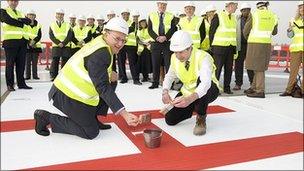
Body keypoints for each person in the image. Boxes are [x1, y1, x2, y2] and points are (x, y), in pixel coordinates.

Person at [34, 17, 141, 140]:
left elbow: (98, 71)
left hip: (76, 91)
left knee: (112, 80)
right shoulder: (101, 53)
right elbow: (102, 87)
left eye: (124, 40)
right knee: (90, 132)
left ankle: (93, 118)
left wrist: (110, 73)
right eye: (117, 38)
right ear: (106, 33)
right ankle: (46, 117)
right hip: (66, 93)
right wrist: (124, 114)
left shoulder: (102, 42)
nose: (120, 44)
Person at [162, 30, 219, 136]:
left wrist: (189, 99)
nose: (178, 56)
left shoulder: (203, 57)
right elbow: (170, 75)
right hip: (188, 92)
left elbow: (205, 83)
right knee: (170, 119)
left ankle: (201, 117)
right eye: (175, 52)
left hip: (209, 89)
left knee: (201, 84)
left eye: (181, 52)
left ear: (190, 48)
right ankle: (195, 105)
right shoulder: (174, 57)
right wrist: (165, 91)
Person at [244, 1, 278, 98]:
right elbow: (275, 32)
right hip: (266, 43)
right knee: (259, 66)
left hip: (255, 43)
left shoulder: (254, 14)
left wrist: (248, 38)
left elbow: (246, 30)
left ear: (258, 6)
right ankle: (254, 87)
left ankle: (260, 90)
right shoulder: (273, 15)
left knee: (258, 68)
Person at [1, 0, 32, 91]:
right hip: (10, 41)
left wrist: (20, 20)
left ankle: (21, 84)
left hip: (22, 41)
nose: (14, 2)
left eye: (16, 1)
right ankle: (10, 84)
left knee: (21, 64)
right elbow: (8, 20)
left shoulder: (20, 13)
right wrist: (22, 22)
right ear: (8, 1)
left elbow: (29, 21)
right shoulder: (3, 11)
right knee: (10, 64)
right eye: (12, 1)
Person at [209, 1, 238, 94]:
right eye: (235, 6)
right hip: (219, 48)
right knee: (217, 70)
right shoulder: (218, 15)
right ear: (230, 6)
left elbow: (234, 34)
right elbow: (211, 31)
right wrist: (212, 46)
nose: (236, 8)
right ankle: (215, 89)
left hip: (230, 48)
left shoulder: (234, 17)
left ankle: (227, 88)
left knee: (229, 70)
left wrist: (235, 48)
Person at [148, 0, 176, 89]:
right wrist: (157, 37)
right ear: (157, 5)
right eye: (161, 4)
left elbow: (173, 29)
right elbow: (150, 29)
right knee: (155, 63)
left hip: (167, 43)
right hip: (155, 43)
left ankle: (169, 84)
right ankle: (155, 83)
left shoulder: (171, 16)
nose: (162, 6)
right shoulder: (151, 15)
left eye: (164, 5)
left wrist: (165, 37)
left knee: (168, 64)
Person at [280, 1, 304, 97]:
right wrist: (289, 29)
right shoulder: (294, 21)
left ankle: (302, 91)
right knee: (293, 70)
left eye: (303, 7)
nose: (302, 9)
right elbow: (290, 36)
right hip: (296, 48)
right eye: (300, 7)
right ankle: (289, 90)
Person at [233, 3, 254, 91]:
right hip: (240, 45)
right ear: (241, 11)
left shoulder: (254, 19)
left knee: (250, 65)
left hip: (250, 45)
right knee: (238, 65)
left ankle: (252, 83)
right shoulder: (237, 19)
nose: (246, 12)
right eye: (244, 10)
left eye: (248, 10)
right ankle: (238, 83)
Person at [49, 8, 73, 81]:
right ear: (56, 15)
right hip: (56, 46)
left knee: (65, 61)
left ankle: (63, 76)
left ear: (63, 15)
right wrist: (58, 43)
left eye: (61, 14)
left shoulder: (68, 25)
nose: (60, 16)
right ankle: (54, 76)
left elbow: (70, 35)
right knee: (55, 61)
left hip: (65, 46)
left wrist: (63, 43)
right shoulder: (52, 24)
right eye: (58, 14)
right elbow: (51, 35)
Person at [25, 9, 42, 80]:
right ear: (27, 16)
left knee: (35, 62)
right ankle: (27, 76)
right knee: (27, 62)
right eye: (29, 15)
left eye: (32, 15)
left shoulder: (38, 25)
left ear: (35, 16)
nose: (31, 16)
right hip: (27, 46)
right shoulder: (24, 24)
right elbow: (24, 34)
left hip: (36, 46)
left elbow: (39, 35)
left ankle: (35, 75)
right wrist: (29, 42)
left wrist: (34, 41)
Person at [137, 18, 153, 82]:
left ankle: (150, 76)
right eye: (141, 23)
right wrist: (141, 42)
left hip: (148, 48)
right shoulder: (139, 30)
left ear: (146, 23)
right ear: (140, 24)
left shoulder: (149, 29)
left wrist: (147, 42)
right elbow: (137, 39)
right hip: (141, 49)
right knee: (142, 63)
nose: (143, 24)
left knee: (149, 62)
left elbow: (151, 37)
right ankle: (145, 77)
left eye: (144, 22)